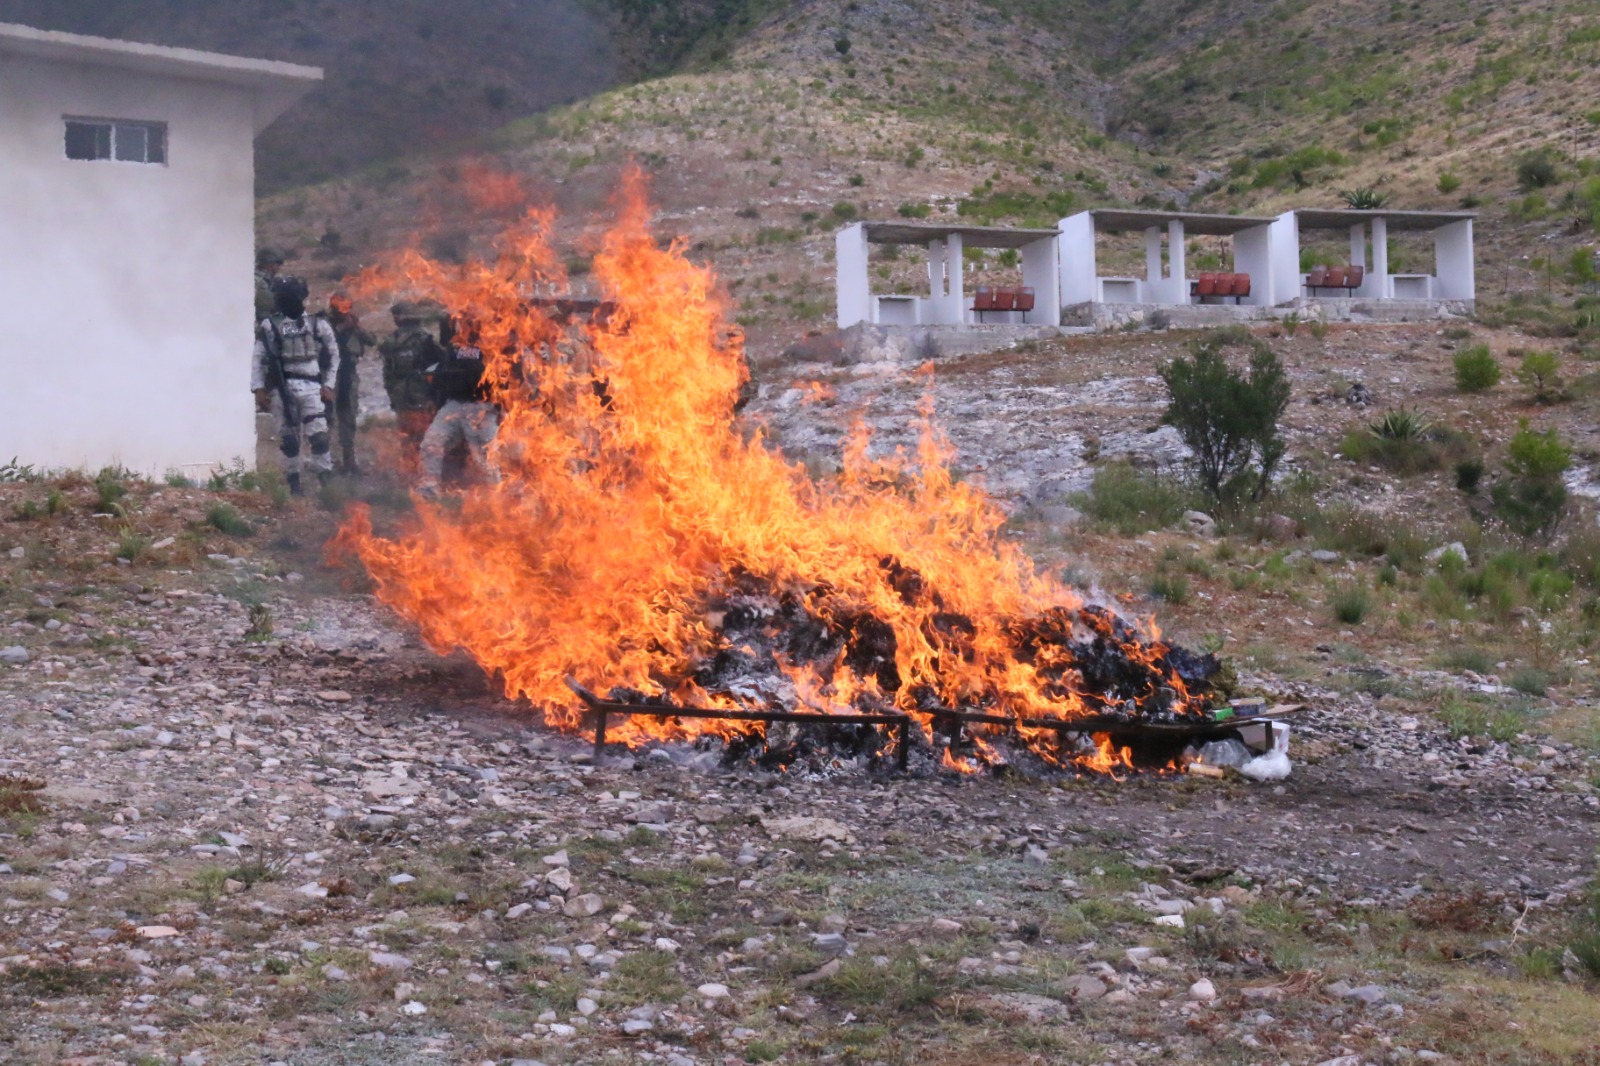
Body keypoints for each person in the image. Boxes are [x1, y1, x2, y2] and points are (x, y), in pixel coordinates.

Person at [252, 276, 340, 496]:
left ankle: (327, 485)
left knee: (319, 437)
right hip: (282, 388)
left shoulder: (317, 324)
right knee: (289, 441)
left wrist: (329, 384)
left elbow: (334, 355)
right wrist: (259, 388)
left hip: (312, 386)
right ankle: (294, 484)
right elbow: (258, 358)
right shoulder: (269, 325)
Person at [419, 314, 501, 494]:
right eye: (464, 323)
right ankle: (429, 488)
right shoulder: (454, 346)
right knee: (431, 443)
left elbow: (503, 378)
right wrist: (432, 397)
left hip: (480, 408)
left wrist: (499, 406)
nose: (466, 326)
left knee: (485, 457)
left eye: (470, 323)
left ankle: (495, 496)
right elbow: (442, 372)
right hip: (453, 405)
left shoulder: (491, 345)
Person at [379, 302, 447, 470]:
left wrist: (392, 395)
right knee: (423, 436)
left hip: (402, 395)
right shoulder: (424, 338)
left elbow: (388, 373)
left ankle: (412, 471)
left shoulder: (392, 340)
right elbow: (443, 362)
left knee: (407, 436)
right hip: (420, 395)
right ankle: (423, 471)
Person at [321, 292, 375, 475]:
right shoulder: (323, 323)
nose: (345, 311)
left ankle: (349, 460)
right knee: (326, 417)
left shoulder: (353, 323)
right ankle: (324, 460)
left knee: (348, 416)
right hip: (329, 375)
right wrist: (341, 328)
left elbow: (372, 340)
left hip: (348, 374)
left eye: (347, 307)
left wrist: (356, 327)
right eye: (341, 307)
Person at [254, 247, 284, 321]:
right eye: (278, 264)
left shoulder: (267, 279)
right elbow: (269, 304)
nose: (279, 267)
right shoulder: (258, 281)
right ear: (268, 263)